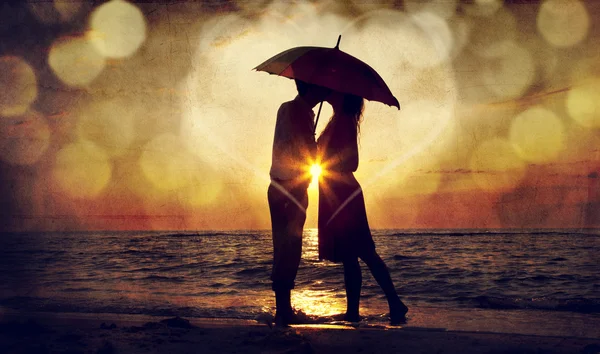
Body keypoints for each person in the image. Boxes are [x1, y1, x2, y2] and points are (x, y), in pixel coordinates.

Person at [317, 92, 409, 325]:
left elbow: (353, 163)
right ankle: (354, 311)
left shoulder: (344, 121)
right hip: (335, 194)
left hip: (344, 195)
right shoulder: (336, 120)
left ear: (343, 96)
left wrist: (328, 156)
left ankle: (393, 302)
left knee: (364, 252)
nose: (329, 93)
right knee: (350, 256)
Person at [268, 79, 331, 327]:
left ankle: (282, 308)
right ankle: (283, 310)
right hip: (291, 188)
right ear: (311, 88)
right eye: (320, 87)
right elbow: (306, 153)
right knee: (290, 248)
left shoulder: (286, 108)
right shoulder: (300, 113)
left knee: (282, 246)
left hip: (276, 186)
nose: (324, 91)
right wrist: (315, 143)